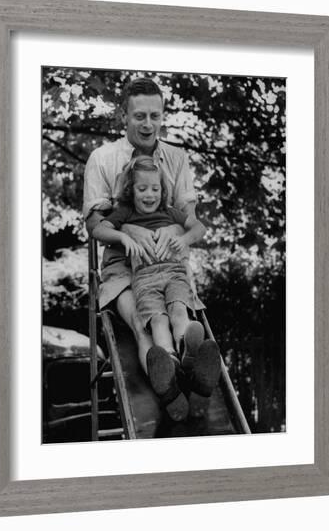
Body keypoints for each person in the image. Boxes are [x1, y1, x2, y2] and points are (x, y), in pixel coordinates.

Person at [83, 76, 220, 420]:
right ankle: (170, 385)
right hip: (123, 265)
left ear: (162, 116)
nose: (148, 124)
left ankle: (188, 365)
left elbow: (189, 218)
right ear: (124, 117)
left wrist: (179, 234)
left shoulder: (175, 158)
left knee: (176, 313)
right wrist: (127, 230)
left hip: (166, 261)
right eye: (139, 116)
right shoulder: (103, 159)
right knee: (144, 326)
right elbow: (96, 224)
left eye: (154, 116)